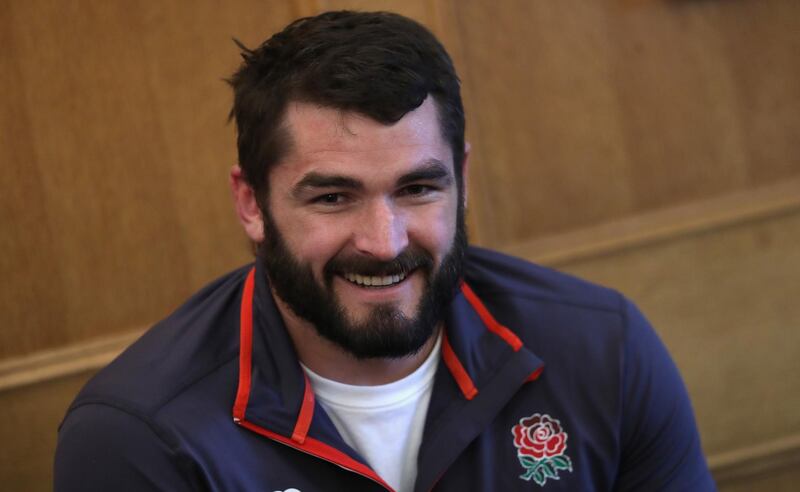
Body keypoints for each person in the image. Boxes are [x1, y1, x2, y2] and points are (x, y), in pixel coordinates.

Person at [54, 11, 715, 492]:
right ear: (251, 202)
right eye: (334, 198)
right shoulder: (137, 435)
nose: (385, 241)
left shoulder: (603, 350)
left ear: (462, 179)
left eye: (419, 188)